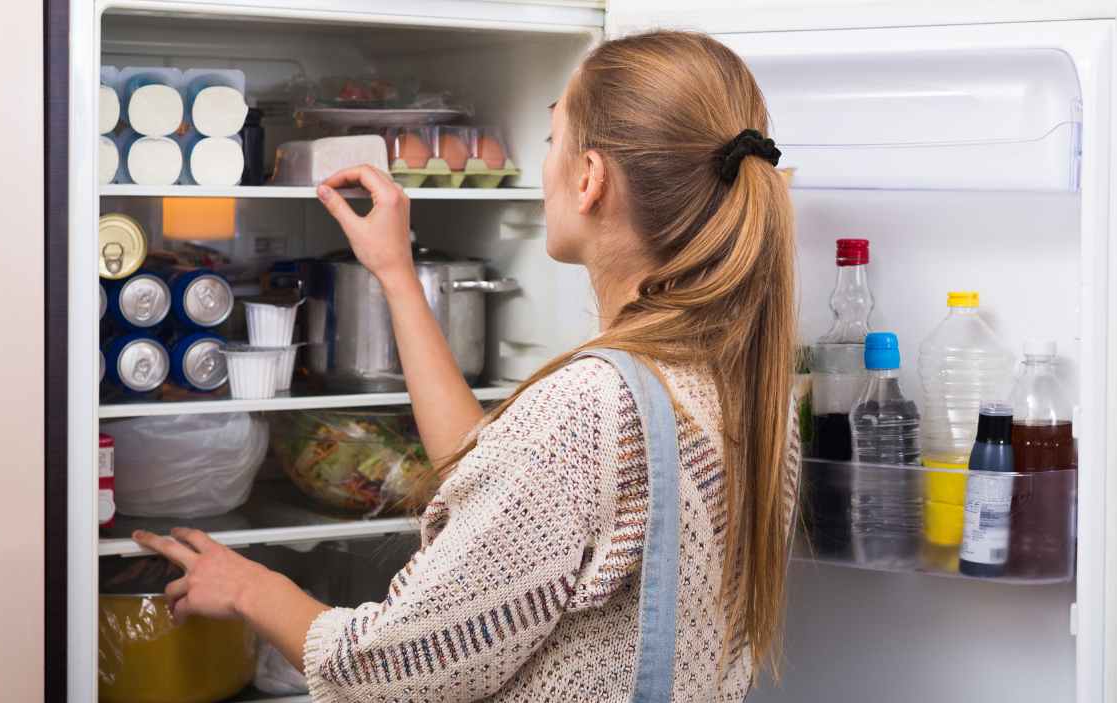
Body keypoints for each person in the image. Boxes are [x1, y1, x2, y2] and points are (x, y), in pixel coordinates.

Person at [134, 30, 800, 701]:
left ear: (590, 178)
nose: (544, 164)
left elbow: (396, 669)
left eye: (551, 141)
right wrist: (396, 273)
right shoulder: (740, 384)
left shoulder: (589, 406)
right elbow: (497, 476)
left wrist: (252, 587)